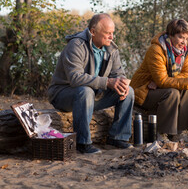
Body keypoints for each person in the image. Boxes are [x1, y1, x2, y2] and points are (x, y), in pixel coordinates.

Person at [47, 13, 134, 154]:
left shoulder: (111, 48)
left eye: (113, 33)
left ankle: (117, 137)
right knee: (85, 91)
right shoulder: (76, 45)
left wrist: (121, 84)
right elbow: (75, 78)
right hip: (63, 94)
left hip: (92, 95)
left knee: (129, 91)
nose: (112, 37)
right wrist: (107, 82)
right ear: (93, 32)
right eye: (107, 33)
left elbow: (118, 74)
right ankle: (82, 143)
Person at [130, 18, 188, 140]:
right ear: (170, 35)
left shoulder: (185, 51)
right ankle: (162, 134)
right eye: (181, 37)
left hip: (158, 88)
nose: (184, 42)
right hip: (143, 91)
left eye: (187, 38)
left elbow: (186, 73)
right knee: (173, 92)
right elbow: (163, 80)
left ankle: (180, 132)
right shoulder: (156, 50)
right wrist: (164, 82)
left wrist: (166, 81)